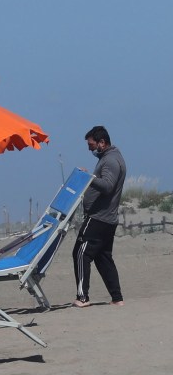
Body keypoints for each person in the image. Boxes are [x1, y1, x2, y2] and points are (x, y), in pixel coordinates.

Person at [72, 125, 126, 307]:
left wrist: (87, 177)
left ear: (102, 142)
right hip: (106, 219)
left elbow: (108, 185)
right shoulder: (110, 158)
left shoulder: (111, 160)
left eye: (91, 144)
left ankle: (82, 297)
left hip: (99, 218)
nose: (89, 149)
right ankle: (117, 298)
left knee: (80, 253)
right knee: (103, 257)